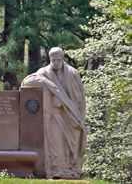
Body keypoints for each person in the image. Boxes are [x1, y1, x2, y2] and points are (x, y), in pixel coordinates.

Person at [21, 47, 86, 179]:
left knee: (72, 144)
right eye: (53, 60)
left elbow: (81, 97)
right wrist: (46, 82)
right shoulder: (44, 73)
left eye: (58, 60)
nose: (55, 62)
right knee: (56, 141)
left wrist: (81, 116)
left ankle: (70, 169)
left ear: (63, 59)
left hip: (72, 115)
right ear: (50, 59)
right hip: (55, 115)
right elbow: (27, 81)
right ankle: (56, 169)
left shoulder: (73, 74)